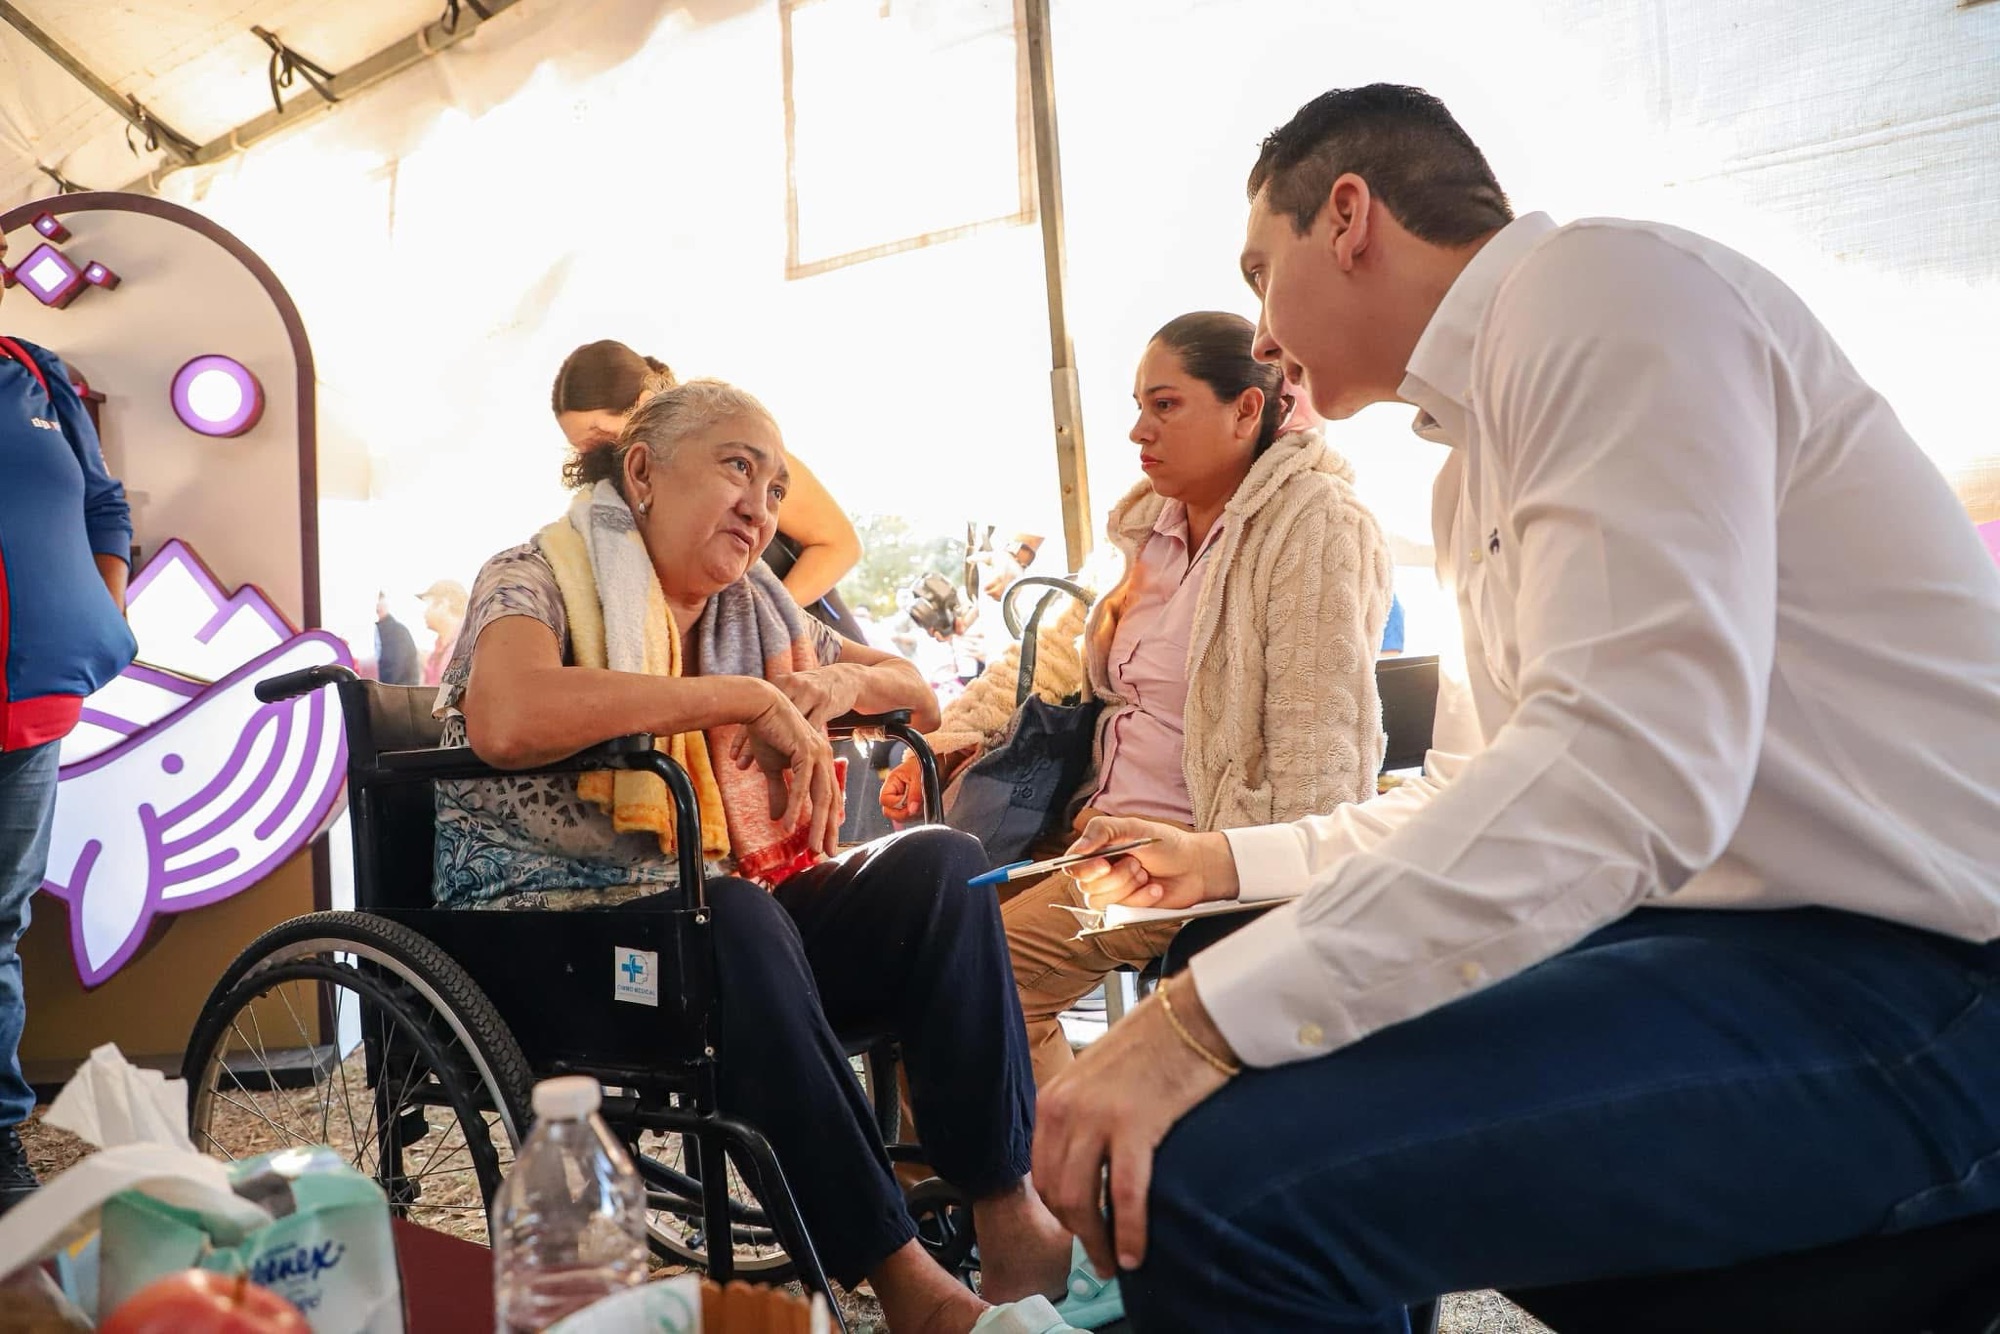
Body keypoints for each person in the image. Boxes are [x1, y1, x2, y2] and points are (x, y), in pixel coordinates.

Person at [1033, 84, 2000, 1331]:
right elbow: (1479, 791)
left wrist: (1190, 1019)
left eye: (1259, 271)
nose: (1261, 337)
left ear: (1348, 215)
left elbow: (1625, 775)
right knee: (1266, 1094)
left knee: (1222, 1179)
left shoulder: (1603, 290)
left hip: (1932, 967)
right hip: (1739, 939)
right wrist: (1226, 859)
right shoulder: (1473, 464)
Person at [437, 378, 1091, 1334]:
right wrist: (734, 700)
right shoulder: (534, 573)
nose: (761, 505)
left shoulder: (755, 609)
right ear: (646, 473)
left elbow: (915, 697)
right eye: (737, 468)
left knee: (943, 865)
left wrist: (827, 680)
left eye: (777, 486)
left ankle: (1008, 1208)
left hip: (723, 932)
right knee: (729, 913)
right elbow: (508, 714)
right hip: (552, 930)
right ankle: (908, 1283)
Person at [883, 311, 1392, 1088]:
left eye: (1164, 406)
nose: (1137, 432)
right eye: (1136, 406)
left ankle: (1061, 1190)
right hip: (1086, 829)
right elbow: (1049, 658)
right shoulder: (1148, 525)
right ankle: (972, 1193)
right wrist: (946, 743)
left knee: (976, 981)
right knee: (907, 945)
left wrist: (1244, 871)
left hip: (1191, 853)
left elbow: (1321, 756)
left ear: (1246, 411)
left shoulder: (1314, 526)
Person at [0, 236, 139, 1215]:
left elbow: (103, 500)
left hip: (33, 705)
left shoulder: (36, 369)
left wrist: (106, 609)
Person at [551, 340, 866, 635]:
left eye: (600, 437)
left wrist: (763, 622)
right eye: (578, 448)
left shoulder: (750, 458)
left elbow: (839, 545)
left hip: (807, 645)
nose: (590, 459)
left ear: (644, 406)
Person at [417, 578, 467, 687]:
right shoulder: (438, 651)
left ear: (444, 604)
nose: (424, 612)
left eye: (427, 604)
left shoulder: (467, 646)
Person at [371, 593, 420, 686]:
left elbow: (395, 669)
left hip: (400, 692)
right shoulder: (379, 630)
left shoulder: (397, 631)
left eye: (379, 604)